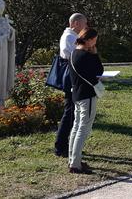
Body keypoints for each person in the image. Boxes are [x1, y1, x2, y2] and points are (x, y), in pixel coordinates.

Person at [68, 28, 103, 174]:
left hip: (77, 94)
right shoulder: (85, 56)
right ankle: (75, 164)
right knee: (83, 129)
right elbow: (99, 71)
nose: (95, 42)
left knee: (76, 127)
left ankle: (73, 159)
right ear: (88, 39)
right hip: (87, 95)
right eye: (94, 39)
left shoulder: (73, 53)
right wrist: (95, 54)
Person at [54, 13, 87, 158]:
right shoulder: (69, 37)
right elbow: (74, 56)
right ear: (75, 23)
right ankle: (60, 146)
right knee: (69, 112)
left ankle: (67, 144)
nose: (85, 28)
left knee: (72, 113)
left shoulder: (72, 36)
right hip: (71, 79)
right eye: (83, 24)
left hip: (74, 77)